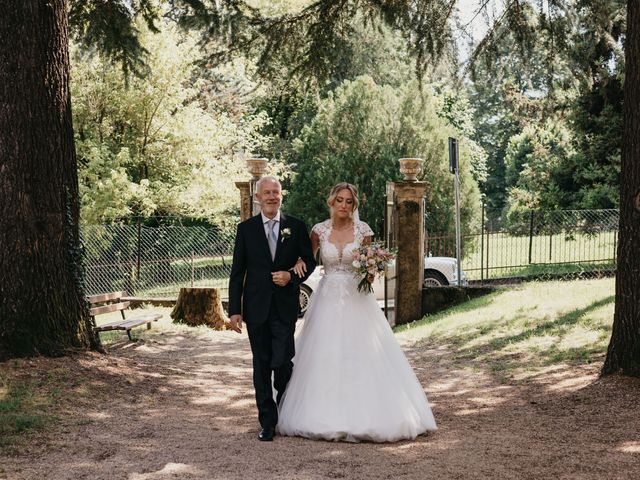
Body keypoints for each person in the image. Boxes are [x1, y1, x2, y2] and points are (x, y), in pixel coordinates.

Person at [277, 182, 437, 442]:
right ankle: (321, 413)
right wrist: (292, 267)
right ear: (331, 202)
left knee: (362, 351)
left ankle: (370, 413)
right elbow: (306, 260)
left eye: (349, 201)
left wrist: (372, 267)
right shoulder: (318, 231)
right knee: (323, 352)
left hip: (357, 297)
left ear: (354, 205)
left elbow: (369, 271)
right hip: (327, 297)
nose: (343, 205)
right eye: (339, 200)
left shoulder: (364, 231)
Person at [228, 175, 316, 441]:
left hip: (285, 306)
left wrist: (292, 276)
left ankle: (284, 404)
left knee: (283, 361)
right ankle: (267, 422)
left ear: (281, 196)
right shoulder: (246, 229)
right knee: (261, 364)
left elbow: (309, 262)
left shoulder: (296, 226)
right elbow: (237, 272)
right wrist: (234, 310)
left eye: (275, 193)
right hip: (255, 308)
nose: (271, 197)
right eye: (266, 193)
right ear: (257, 198)